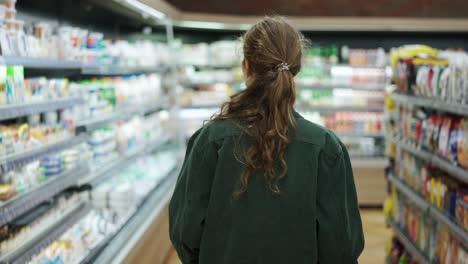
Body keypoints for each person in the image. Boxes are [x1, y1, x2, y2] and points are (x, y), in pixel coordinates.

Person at [169, 16, 364, 264]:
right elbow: (342, 244)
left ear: (246, 67)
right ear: (297, 69)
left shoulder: (210, 140)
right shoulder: (325, 147)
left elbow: (185, 230)